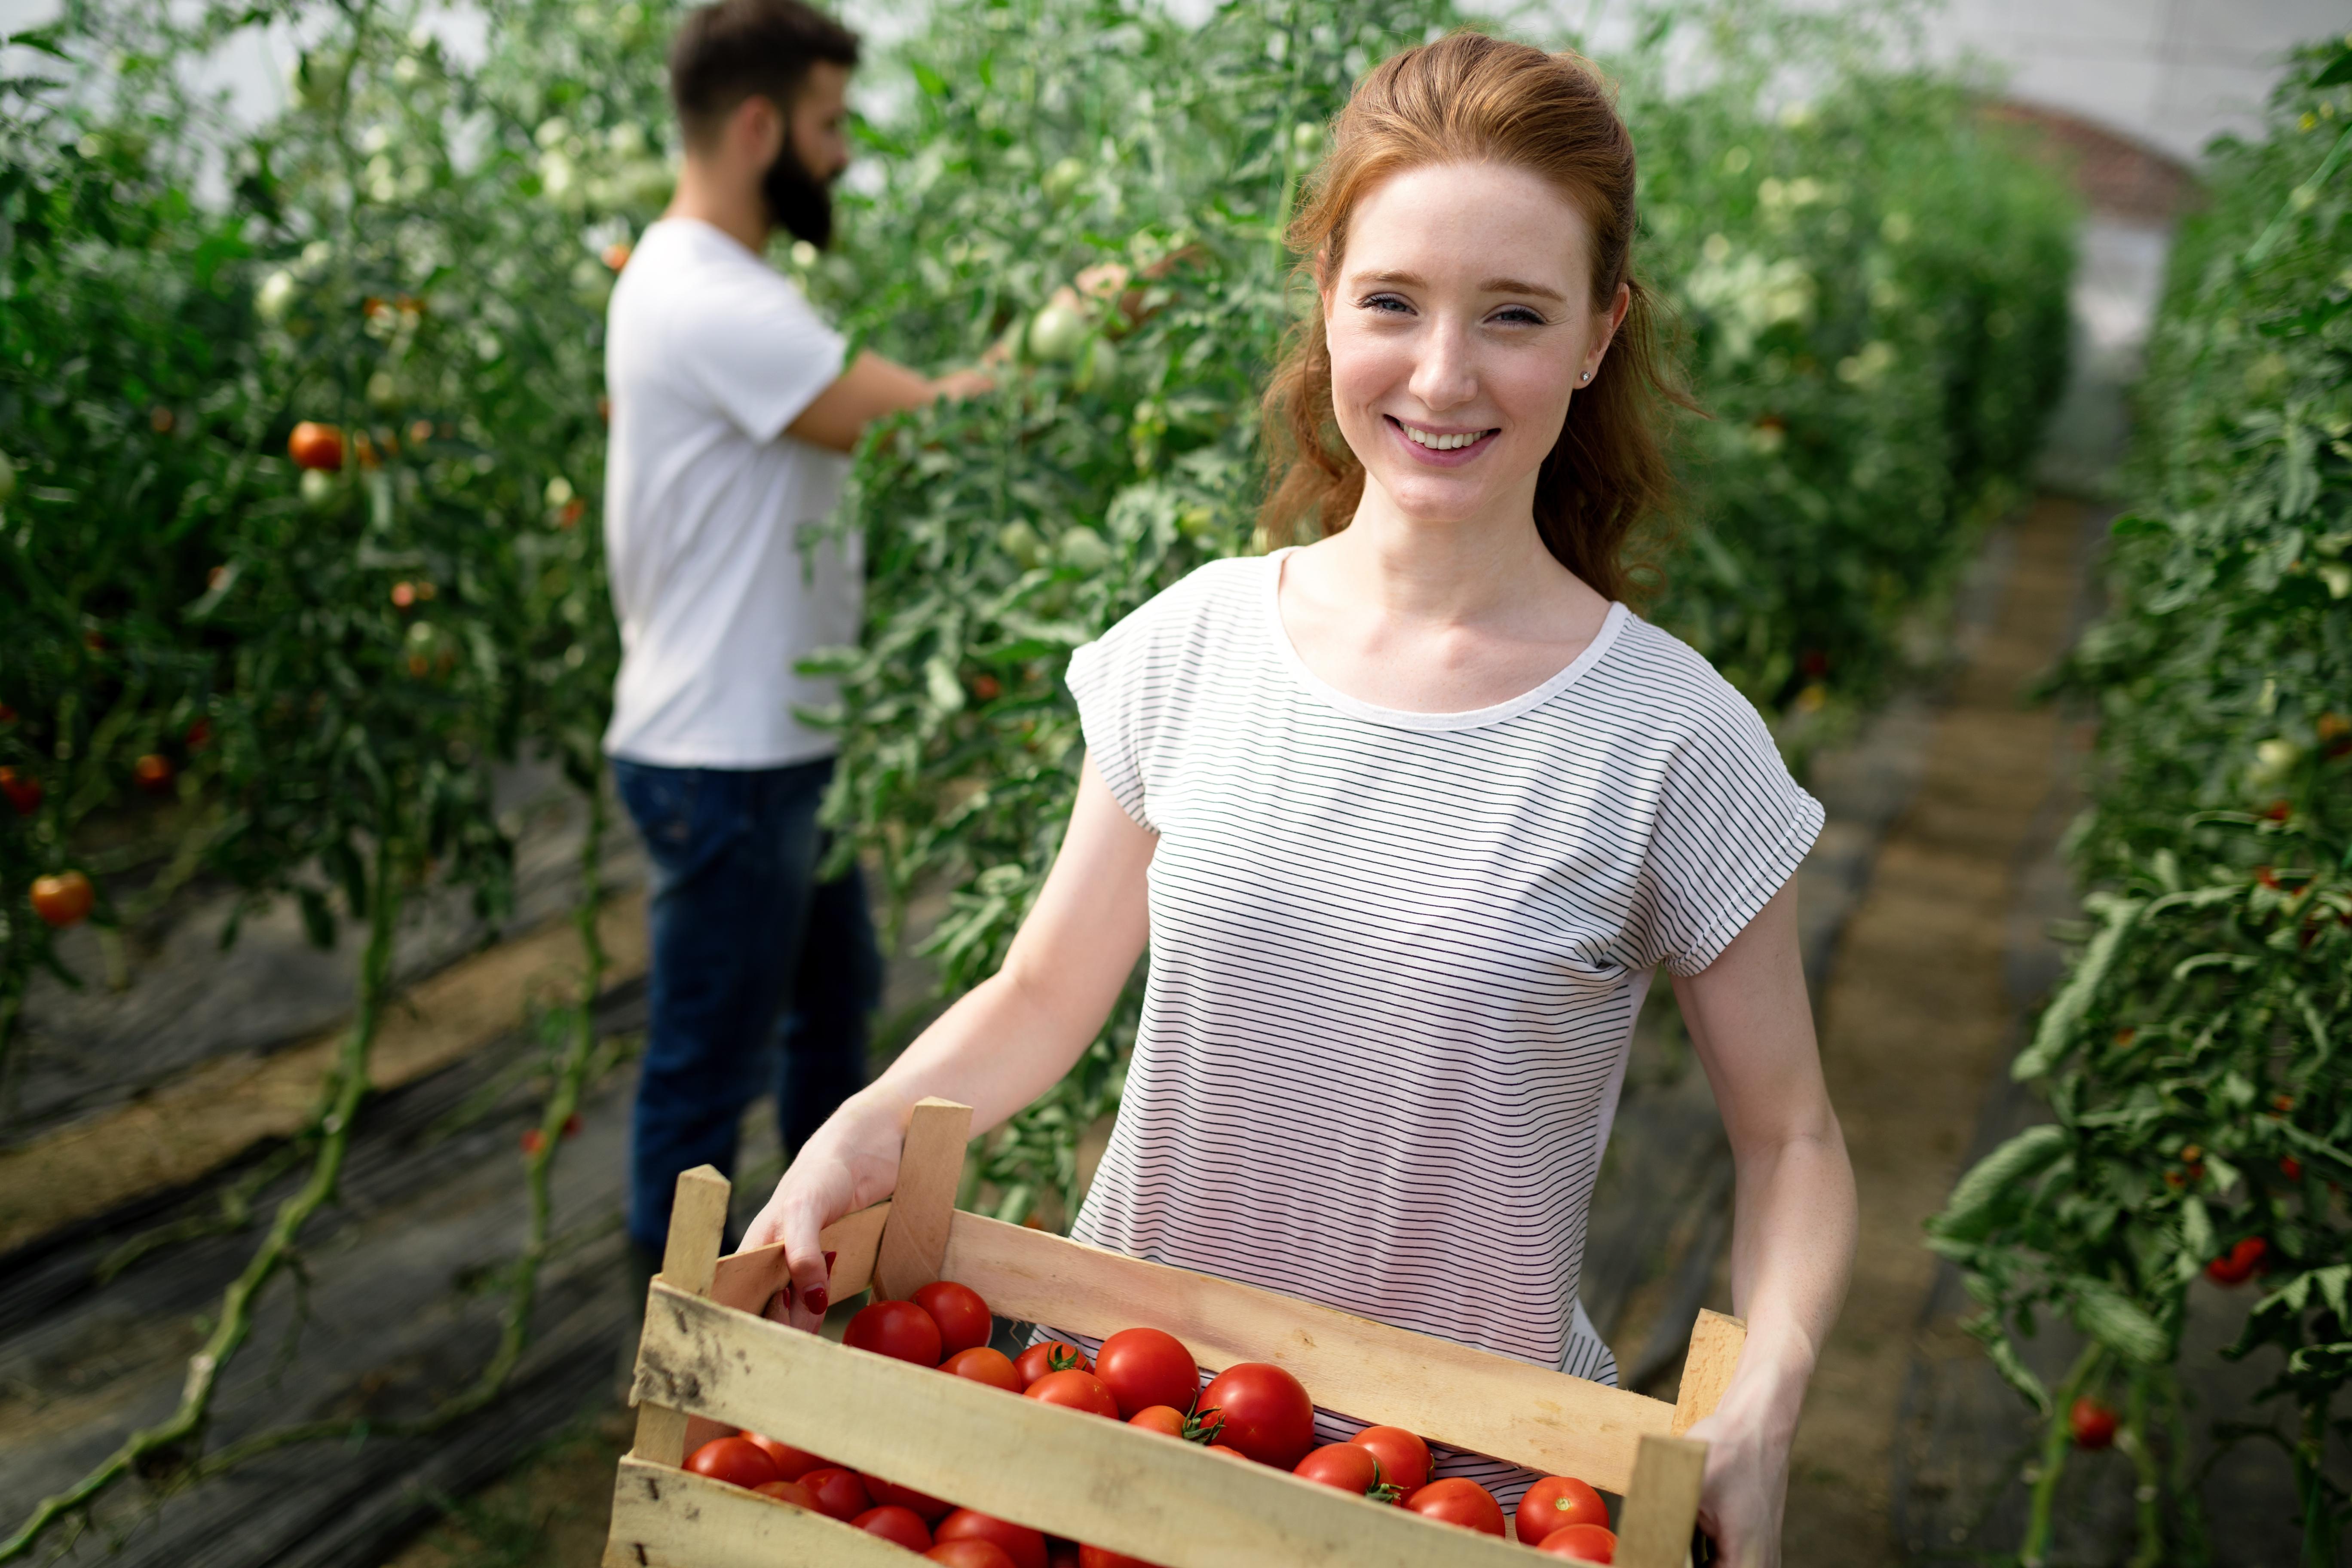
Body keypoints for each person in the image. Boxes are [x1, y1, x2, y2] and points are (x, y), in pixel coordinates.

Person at [745, 32, 1854, 1565]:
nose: (1444, 375)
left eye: (1515, 316)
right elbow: (1045, 986)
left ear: (1601, 335)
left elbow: (1792, 1139)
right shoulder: (1193, 646)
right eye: (1393, 301)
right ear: (1327, 294)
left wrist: (1769, 1397)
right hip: (1123, 1439)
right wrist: (862, 1131)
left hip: (1461, 1490)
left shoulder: (1673, 741)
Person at [603, 0, 990, 1272]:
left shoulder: (708, 284)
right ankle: (667, 1362)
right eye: (827, 125)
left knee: (829, 1039)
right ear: (759, 123)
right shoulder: (709, 294)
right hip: (729, 756)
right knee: (704, 1079)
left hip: (762, 743)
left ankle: (806, 1308)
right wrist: (1085, 326)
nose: (840, 155)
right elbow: (921, 425)